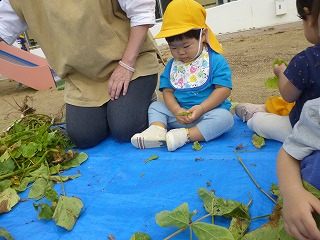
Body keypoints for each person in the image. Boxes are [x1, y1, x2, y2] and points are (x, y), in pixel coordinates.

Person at [0, 0, 160, 148]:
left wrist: (126, 65)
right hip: (82, 76)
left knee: (126, 128)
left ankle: (144, 99)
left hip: (128, 62)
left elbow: (141, 13)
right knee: (83, 137)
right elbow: (3, 26)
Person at [131, 0, 234, 152]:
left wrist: (202, 108)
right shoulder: (174, 65)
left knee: (225, 118)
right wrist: (176, 110)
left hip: (207, 114)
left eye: (186, 46)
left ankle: (185, 136)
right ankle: (157, 131)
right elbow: (167, 92)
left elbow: (224, 89)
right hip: (179, 116)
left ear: (203, 35)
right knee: (156, 107)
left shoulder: (215, 60)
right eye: (173, 47)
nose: (180, 52)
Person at [235, 0, 320, 143]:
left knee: (258, 122)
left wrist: (281, 72)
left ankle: (254, 114)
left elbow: (288, 95)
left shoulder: (307, 59)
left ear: (309, 17)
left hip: (307, 130)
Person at [277, 97, 320, 240]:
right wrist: (292, 193)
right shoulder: (316, 110)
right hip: (297, 121)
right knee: (257, 123)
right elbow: (289, 152)